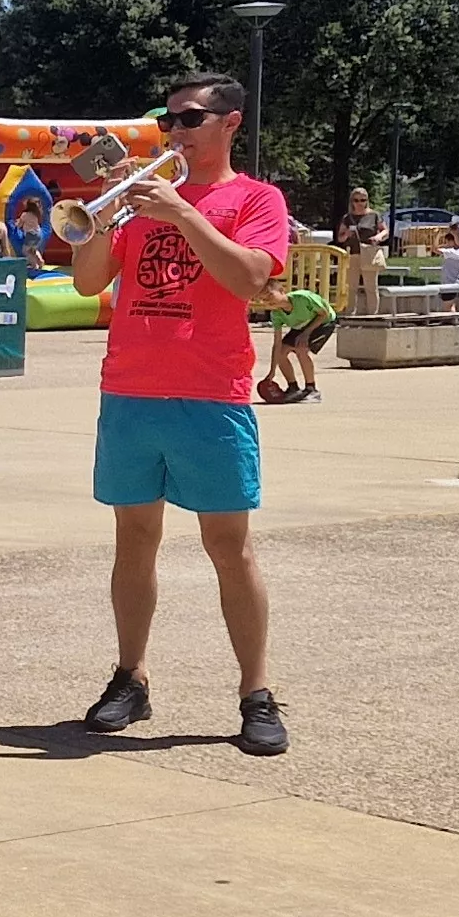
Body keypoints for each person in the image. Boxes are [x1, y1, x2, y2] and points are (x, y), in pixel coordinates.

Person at [74, 72, 294, 756]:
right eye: (169, 120)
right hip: (131, 391)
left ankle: (255, 691)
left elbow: (249, 278)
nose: (175, 132)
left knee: (229, 547)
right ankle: (129, 677)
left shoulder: (254, 198)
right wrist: (98, 215)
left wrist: (183, 213)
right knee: (133, 540)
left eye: (190, 118)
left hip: (210, 394)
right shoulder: (137, 200)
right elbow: (87, 282)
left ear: (229, 122)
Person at [257, 284, 336, 405]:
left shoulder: (302, 298)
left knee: (301, 348)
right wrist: (272, 371)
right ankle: (293, 388)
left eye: (270, 295)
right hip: (302, 327)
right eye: (264, 299)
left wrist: (306, 334)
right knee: (281, 352)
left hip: (323, 322)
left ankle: (311, 389)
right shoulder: (276, 314)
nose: (268, 301)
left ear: (282, 291)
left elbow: (323, 313)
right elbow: (277, 344)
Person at [331, 188, 387, 315]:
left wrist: (378, 237)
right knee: (351, 286)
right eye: (356, 200)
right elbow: (339, 238)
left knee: (371, 286)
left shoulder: (374, 215)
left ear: (367, 201)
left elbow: (385, 231)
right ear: (352, 201)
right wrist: (346, 234)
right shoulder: (347, 218)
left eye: (363, 200)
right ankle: (350, 313)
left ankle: (372, 314)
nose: (359, 203)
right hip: (352, 253)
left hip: (369, 253)